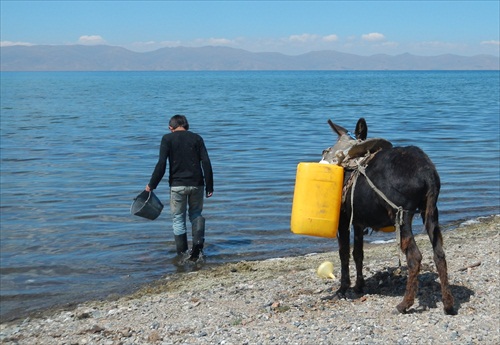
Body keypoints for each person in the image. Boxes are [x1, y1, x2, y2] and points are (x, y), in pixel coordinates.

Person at [145, 114, 213, 261]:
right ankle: (198, 247)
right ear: (186, 126)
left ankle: (182, 255)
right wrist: (210, 186)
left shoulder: (167, 139)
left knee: (178, 219)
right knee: (196, 214)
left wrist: (151, 185)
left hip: (177, 186)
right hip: (197, 184)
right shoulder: (197, 138)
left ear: (171, 128)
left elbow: (161, 164)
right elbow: (206, 162)